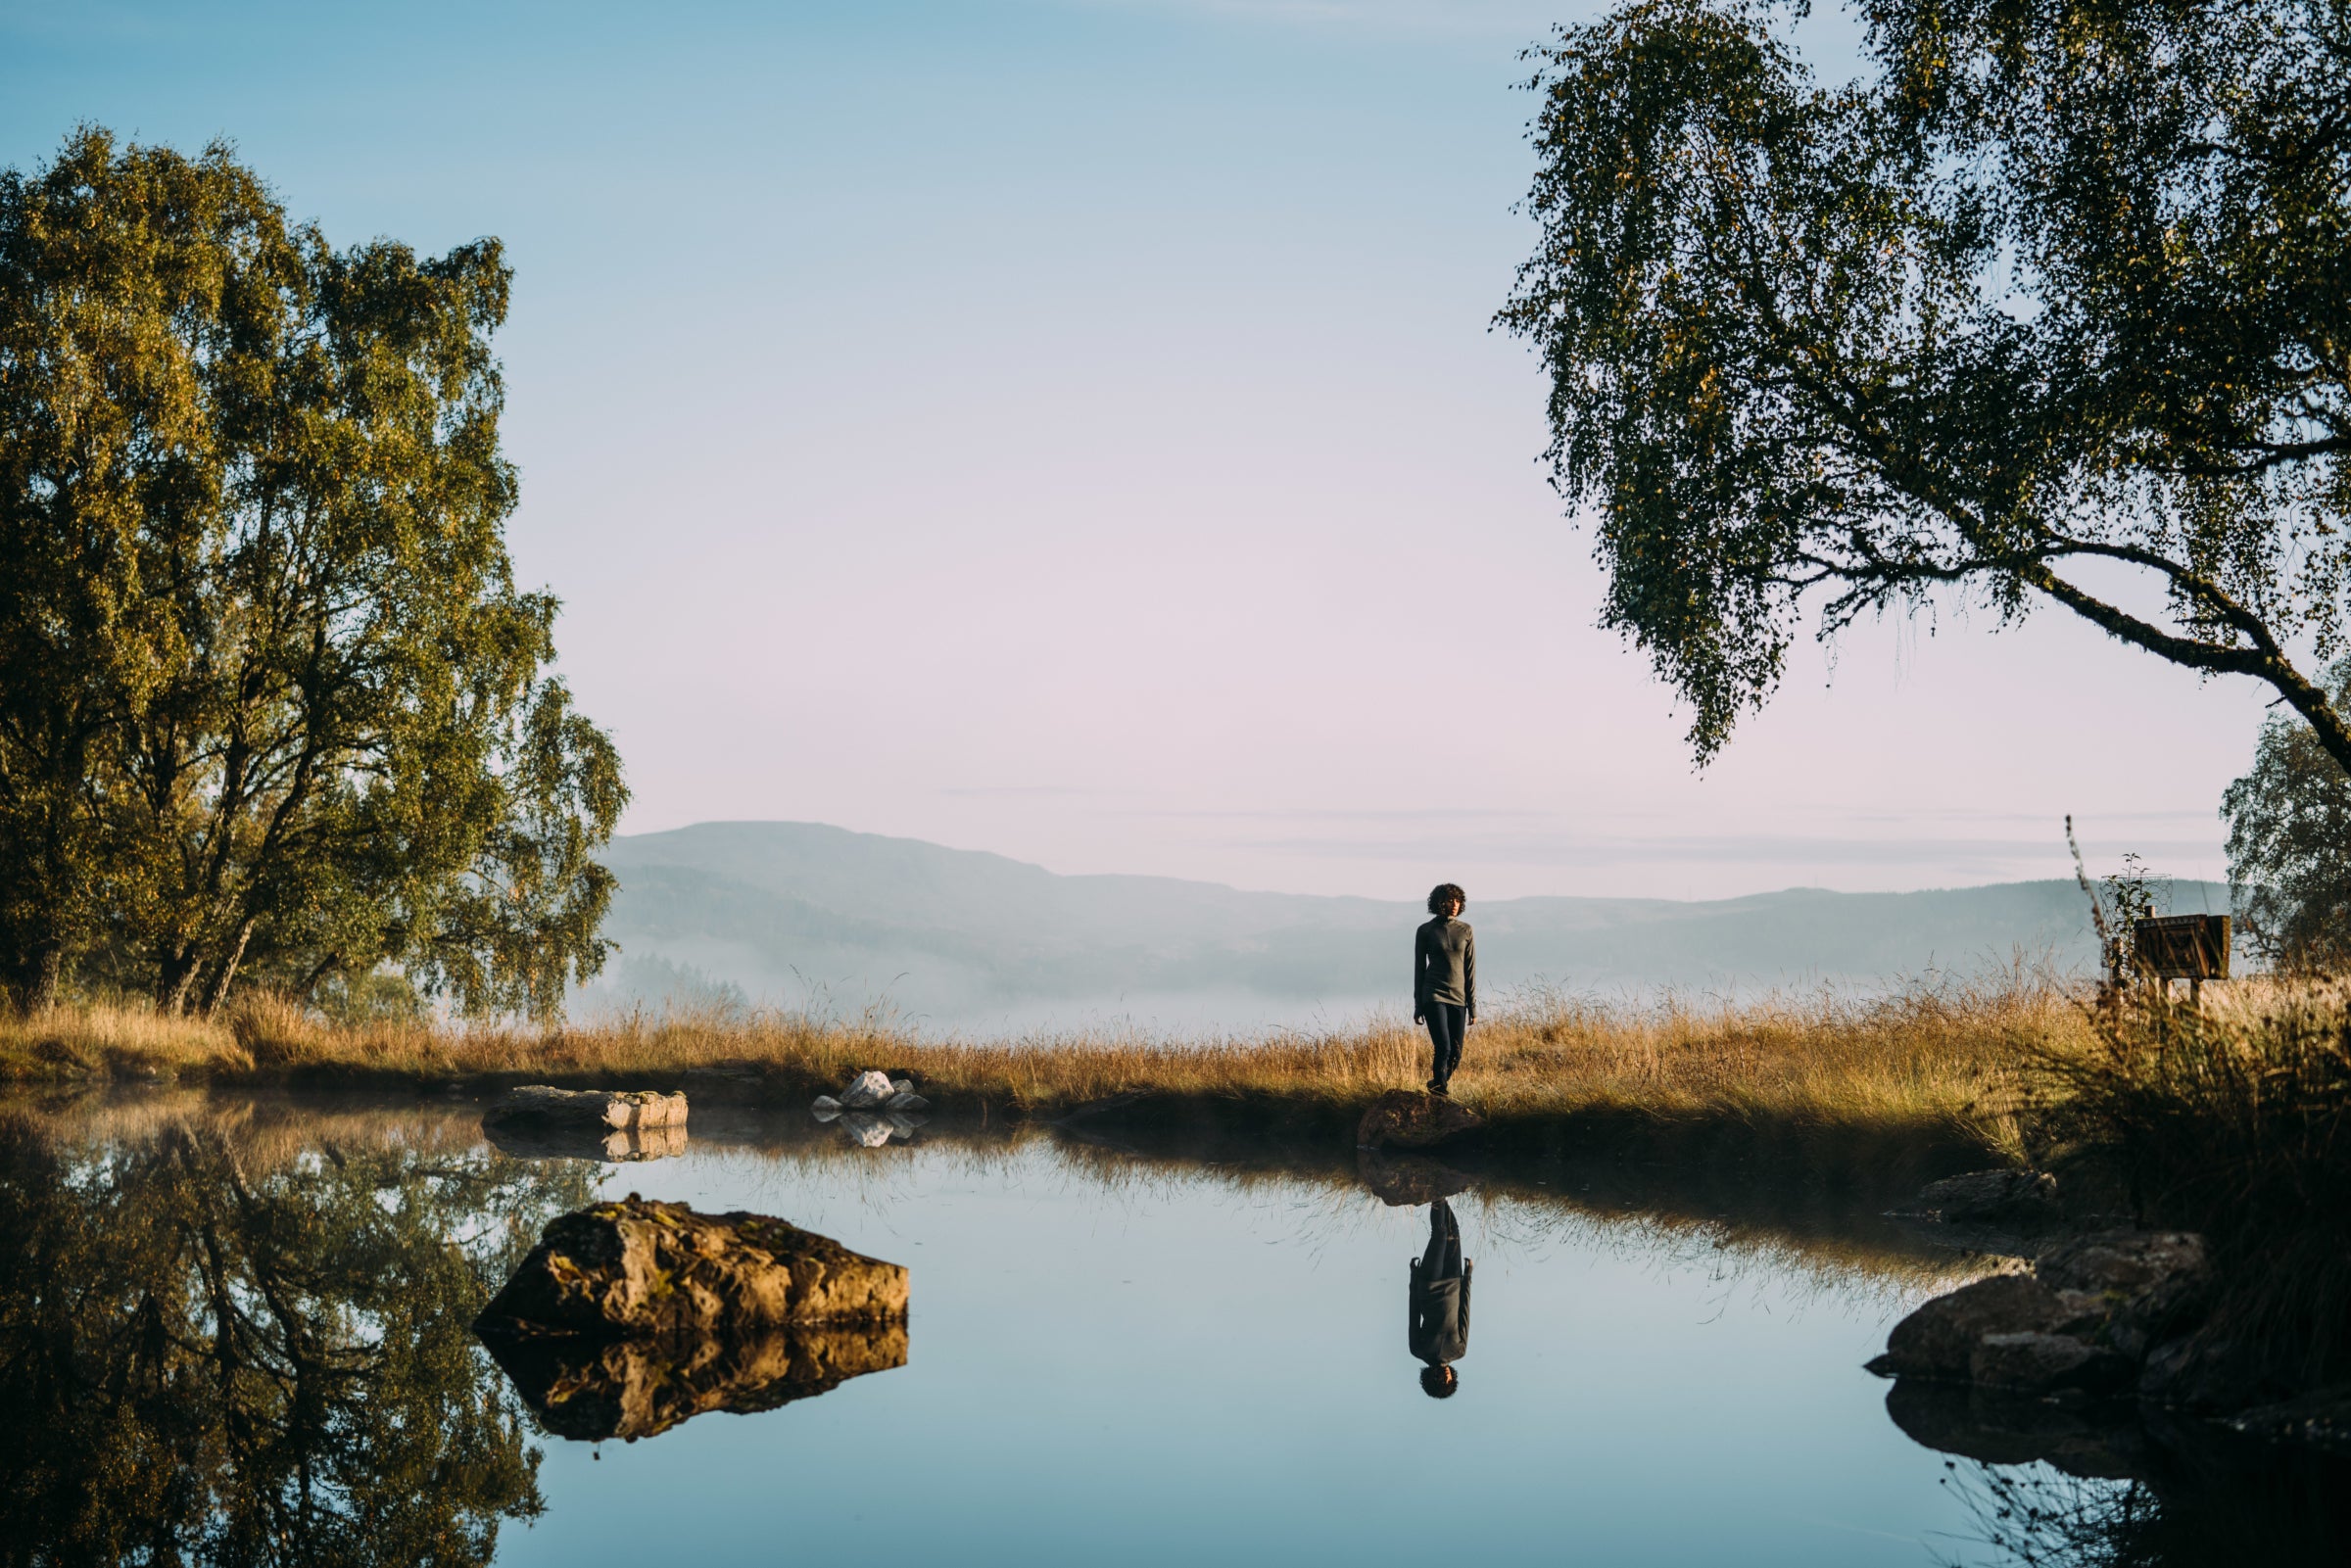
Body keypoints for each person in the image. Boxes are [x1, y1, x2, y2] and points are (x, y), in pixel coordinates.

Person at [1413, 882, 1475, 1096]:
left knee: (1456, 1054)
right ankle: (1441, 1093)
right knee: (1444, 1047)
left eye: (1458, 900)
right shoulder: (1426, 930)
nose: (1455, 904)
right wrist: (1418, 1004)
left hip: (1458, 998)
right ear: (1440, 902)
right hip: (1434, 995)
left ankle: (1436, 1083)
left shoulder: (1466, 930)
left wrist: (1473, 1007)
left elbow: (1470, 969)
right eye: (1450, 900)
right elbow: (1419, 968)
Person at [1408, 1198, 1470, 1398]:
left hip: (1429, 1285)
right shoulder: (1459, 1351)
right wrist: (1468, 1276)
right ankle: (1441, 1191)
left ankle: (1436, 1191)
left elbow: (1414, 1312)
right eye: (1448, 1381)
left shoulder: (1418, 1350)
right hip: (1453, 1281)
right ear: (1452, 1378)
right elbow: (1464, 1310)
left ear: (1432, 1379)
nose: (1445, 1377)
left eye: (1441, 1381)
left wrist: (1413, 1278)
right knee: (1454, 1232)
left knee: (1440, 1234)